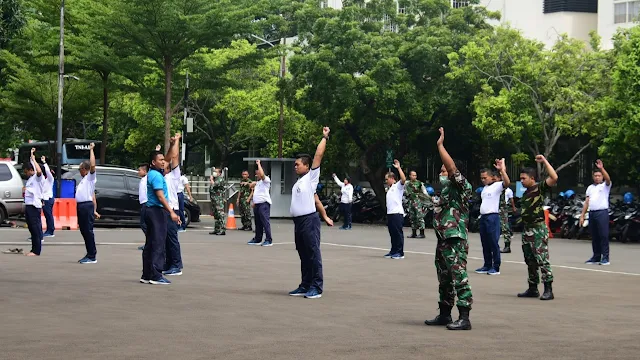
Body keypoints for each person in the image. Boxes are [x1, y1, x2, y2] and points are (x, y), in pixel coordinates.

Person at [424, 127, 473, 331]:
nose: (441, 174)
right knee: (444, 278)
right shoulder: (445, 192)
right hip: (443, 238)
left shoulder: (461, 187)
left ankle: (464, 317)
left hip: (455, 239)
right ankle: (445, 314)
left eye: (443, 171)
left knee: (458, 277)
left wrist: (440, 146)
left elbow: (452, 168)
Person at [288, 126, 330, 300]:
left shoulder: (311, 177)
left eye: (298, 164)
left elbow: (318, 155)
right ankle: (305, 285)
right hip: (299, 222)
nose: (295, 167)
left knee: (313, 253)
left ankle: (316, 287)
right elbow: (317, 200)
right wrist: (325, 216)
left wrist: (325, 137)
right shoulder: (301, 183)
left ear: (307, 165)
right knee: (303, 254)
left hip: (308, 221)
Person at [517, 155, 557, 301]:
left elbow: (554, 177)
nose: (521, 181)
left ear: (532, 178)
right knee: (530, 259)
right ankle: (533, 287)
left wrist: (545, 161)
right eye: (520, 179)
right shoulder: (524, 192)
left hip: (538, 229)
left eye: (524, 178)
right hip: (527, 229)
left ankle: (548, 289)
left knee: (542, 258)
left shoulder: (539, 188)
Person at [141, 146, 180, 285]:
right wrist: (172, 212)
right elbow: (160, 196)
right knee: (158, 244)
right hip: (157, 212)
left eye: (163, 160)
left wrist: (174, 143)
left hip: (150, 210)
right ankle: (156, 275)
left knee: (150, 244)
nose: (164, 162)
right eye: (160, 160)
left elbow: (170, 157)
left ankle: (146, 274)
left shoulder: (153, 174)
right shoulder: (157, 176)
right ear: (153, 162)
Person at [476, 161, 510, 275]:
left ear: (492, 177)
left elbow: (507, 182)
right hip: (484, 217)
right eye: (481, 178)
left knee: (493, 242)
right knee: (484, 242)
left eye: (485, 177)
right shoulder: (484, 188)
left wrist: (502, 171)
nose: (483, 180)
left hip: (492, 217)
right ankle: (487, 265)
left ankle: (496, 267)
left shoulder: (497, 186)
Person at [580, 160, 612, 266]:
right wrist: (582, 215)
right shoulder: (590, 188)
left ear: (602, 177)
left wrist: (602, 168)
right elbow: (587, 202)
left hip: (602, 212)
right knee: (594, 236)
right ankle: (596, 256)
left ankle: (605, 258)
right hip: (592, 213)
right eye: (595, 176)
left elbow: (608, 179)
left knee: (603, 235)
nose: (597, 177)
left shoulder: (605, 186)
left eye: (599, 175)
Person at [162, 134, 183, 276]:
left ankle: (176, 265)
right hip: (163, 210)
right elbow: (168, 156)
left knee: (172, 238)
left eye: (165, 163)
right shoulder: (160, 176)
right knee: (165, 240)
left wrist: (177, 142)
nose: (163, 163)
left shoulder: (174, 175)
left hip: (172, 210)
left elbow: (173, 157)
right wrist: (170, 145)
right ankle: (169, 263)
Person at [76, 143, 98, 264]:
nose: (79, 171)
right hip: (82, 206)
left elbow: (93, 165)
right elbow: (93, 195)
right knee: (84, 230)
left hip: (86, 206)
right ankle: (89, 253)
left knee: (88, 231)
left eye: (80, 169)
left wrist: (91, 150)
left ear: (85, 169)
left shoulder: (90, 177)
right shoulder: (84, 180)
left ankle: (92, 255)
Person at [383, 160, 407, 260]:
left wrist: (398, 168)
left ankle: (400, 252)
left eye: (387, 179)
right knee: (392, 233)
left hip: (397, 213)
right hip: (390, 214)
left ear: (392, 179)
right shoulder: (389, 189)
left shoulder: (398, 186)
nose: (385, 181)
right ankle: (393, 250)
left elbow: (404, 179)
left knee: (398, 233)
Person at [23, 148, 43, 256]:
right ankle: (33, 249)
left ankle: (37, 251)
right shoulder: (30, 179)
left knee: (35, 228)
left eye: (26, 171)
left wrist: (34, 160)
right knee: (31, 227)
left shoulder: (37, 178)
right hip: (29, 205)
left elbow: (38, 171)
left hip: (34, 206)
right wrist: (31, 155)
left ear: (30, 170)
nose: (25, 173)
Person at [247, 160, 273, 246]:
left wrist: (258, 164)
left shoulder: (266, 180)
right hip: (257, 204)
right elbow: (257, 194)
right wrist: (254, 202)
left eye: (257, 173)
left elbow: (262, 175)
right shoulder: (258, 183)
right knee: (258, 223)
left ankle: (269, 240)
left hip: (264, 204)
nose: (256, 175)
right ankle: (258, 239)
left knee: (265, 222)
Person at [405, 171, 428, 239]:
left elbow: (424, 192)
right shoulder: (407, 183)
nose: (414, 177)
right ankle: (414, 232)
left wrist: (427, 198)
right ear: (410, 176)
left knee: (419, 217)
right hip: (411, 201)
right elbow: (405, 191)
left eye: (415, 175)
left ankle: (422, 233)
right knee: (412, 217)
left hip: (418, 202)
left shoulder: (419, 183)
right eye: (413, 175)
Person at [40, 156, 56, 238]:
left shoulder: (50, 179)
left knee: (48, 215)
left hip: (48, 199)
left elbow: (47, 171)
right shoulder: (43, 179)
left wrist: (44, 162)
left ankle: (51, 231)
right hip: (45, 199)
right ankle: (49, 230)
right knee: (47, 215)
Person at [208, 167, 227, 235]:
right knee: (216, 215)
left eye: (216, 171)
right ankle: (217, 229)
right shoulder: (216, 179)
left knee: (220, 214)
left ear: (219, 173)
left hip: (218, 200)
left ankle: (222, 229)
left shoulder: (220, 179)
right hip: (214, 200)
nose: (214, 173)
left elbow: (214, 184)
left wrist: (211, 179)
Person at [500, 183, 516, 253]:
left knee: (505, 227)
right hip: (495, 208)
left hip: (503, 208)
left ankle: (507, 246)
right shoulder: (496, 189)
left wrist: (513, 207)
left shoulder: (508, 190)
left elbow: (511, 199)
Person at [137, 162, 149, 251]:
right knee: (144, 224)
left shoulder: (147, 179)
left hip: (146, 203)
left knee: (144, 224)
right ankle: (148, 243)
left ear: (145, 171)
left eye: (139, 170)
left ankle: (149, 243)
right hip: (143, 203)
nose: (138, 172)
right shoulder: (143, 179)